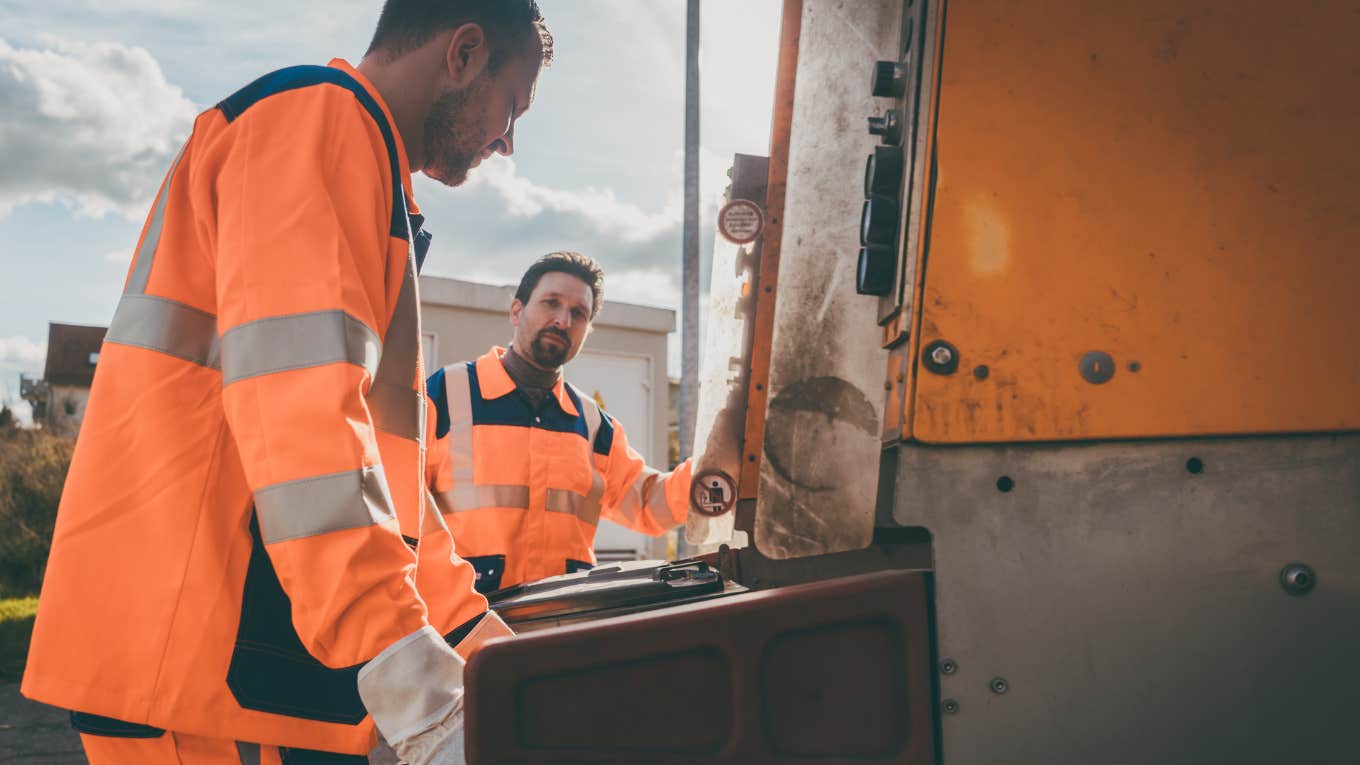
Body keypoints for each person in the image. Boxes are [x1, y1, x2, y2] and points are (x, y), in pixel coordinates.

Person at [21, 2, 552, 763]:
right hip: (201, 661)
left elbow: (381, 476)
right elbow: (301, 419)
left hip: (233, 662)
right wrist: (408, 673)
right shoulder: (320, 124)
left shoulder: (353, 156)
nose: (506, 141)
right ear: (464, 54)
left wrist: (478, 640)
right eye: (513, 106)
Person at [426, 252, 693, 593]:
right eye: (551, 303)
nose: (563, 320)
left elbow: (647, 504)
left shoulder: (592, 425)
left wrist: (713, 470)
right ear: (516, 311)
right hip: (465, 629)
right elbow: (401, 510)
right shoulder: (445, 394)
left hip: (560, 627)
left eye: (578, 313)